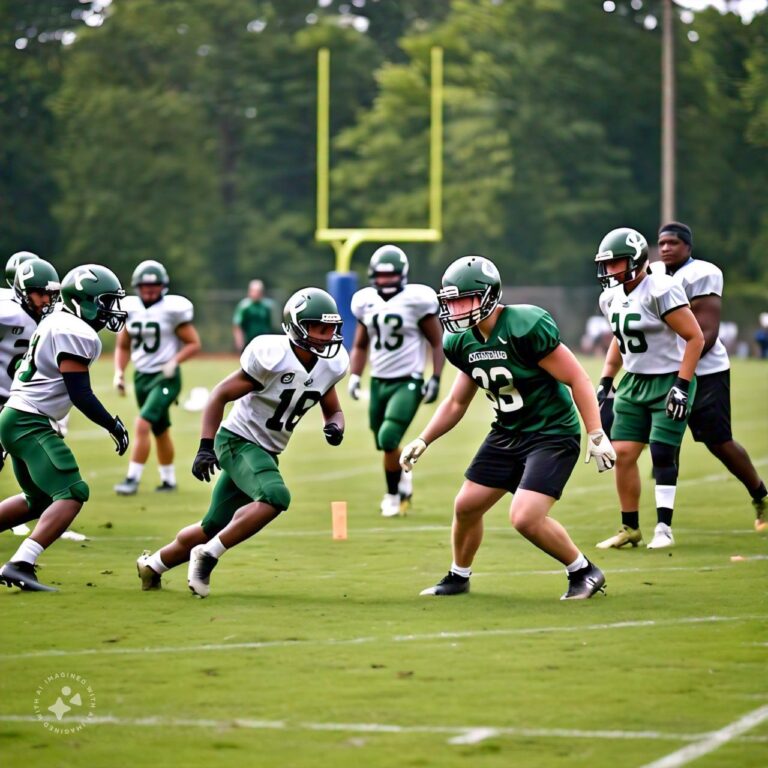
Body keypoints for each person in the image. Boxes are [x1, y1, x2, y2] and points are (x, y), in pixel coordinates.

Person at [400, 255, 615, 600]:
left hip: (551, 432)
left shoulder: (524, 325)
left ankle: (584, 572)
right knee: (466, 505)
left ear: (488, 295)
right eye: (450, 301)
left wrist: (596, 432)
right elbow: (457, 402)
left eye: (463, 300)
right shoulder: (461, 342)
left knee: (525, 517)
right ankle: (459, 576)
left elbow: (576, 377)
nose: (455, 309)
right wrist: (424, 439)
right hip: (507, 431)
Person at [136, 287, 348, 598]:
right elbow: (220, 394)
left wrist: (335, 427)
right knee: (276, 496)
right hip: (237, 440)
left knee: (212, 525)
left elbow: (333, 409)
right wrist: (205, 446)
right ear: (296, 326)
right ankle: (207, 556)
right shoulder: (273, 356)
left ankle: (153, 565)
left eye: (331, 328)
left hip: (267, 451)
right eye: (320, 328)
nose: (328, 336)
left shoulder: (329, 364)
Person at [0, 265, 130, 591]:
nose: (110, 310)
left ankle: (21, 561)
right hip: (31, 422)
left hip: (15, 416)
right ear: (82, 301)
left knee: (39, 500)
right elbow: (80, 393)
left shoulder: (56, 320)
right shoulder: (75, 331)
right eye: (104, 301)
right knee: (72, 493)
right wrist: (112, 424)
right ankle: (21, 563)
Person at [593, 227, 704, 551]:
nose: (611, 270)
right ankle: (630, 528)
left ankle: (664, 527)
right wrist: (606, 379)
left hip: (669, 378)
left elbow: (694, 337)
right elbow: (620, 338)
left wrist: (682, 385)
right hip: (634, 381)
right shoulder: (610, 297)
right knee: (623, 453)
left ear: (637, 260)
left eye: (618, 263)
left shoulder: (661, 288)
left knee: (661, 451)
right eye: (607, 264)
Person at [653, 222, 767, 532]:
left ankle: (760, 494)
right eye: (661, 243)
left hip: (705, 371)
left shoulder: (702, 273)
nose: (665, 248)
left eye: (673, 243)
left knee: (718, 442)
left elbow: (706, 333)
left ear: (688, 247)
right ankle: (659, 526)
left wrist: (681, 375)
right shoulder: (651, 274)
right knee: (661, 444)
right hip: (662, 370)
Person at [349, 244, 445, 517]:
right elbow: (360, 345)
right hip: (379, 381)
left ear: (402, 275)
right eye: (380, 275)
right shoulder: (365, 300)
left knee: (389, 437)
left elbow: (437, 343)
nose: (385, 281)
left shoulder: (417, 299)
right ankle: (404, 476)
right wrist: (355, 375)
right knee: (384, 444)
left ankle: (392, 497)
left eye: (390, 276)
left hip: (408, 380)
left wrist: (435, 378)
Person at [113, 260, 201, 495]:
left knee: (142, 424)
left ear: (163, 286)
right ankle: (168, 480)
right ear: (137, 287)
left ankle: (132, 479)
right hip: (142, 377)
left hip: (165, 378)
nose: (150, 290)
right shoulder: (130, 309)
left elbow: (194, 343)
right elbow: (123, 346)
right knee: (160, 430)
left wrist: (174, 361)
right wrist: (119, 372)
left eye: (154, 286)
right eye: (145, 286)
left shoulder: (172, 310)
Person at [232, 279, 275, 351]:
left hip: (264, 341)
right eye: (255, 291)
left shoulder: (266, 306)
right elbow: (237, 325)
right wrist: (239, 340)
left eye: (259, 291)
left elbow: (269, 324)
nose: (257, 293)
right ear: (250, 291)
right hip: (249, 341)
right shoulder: (244, 306)